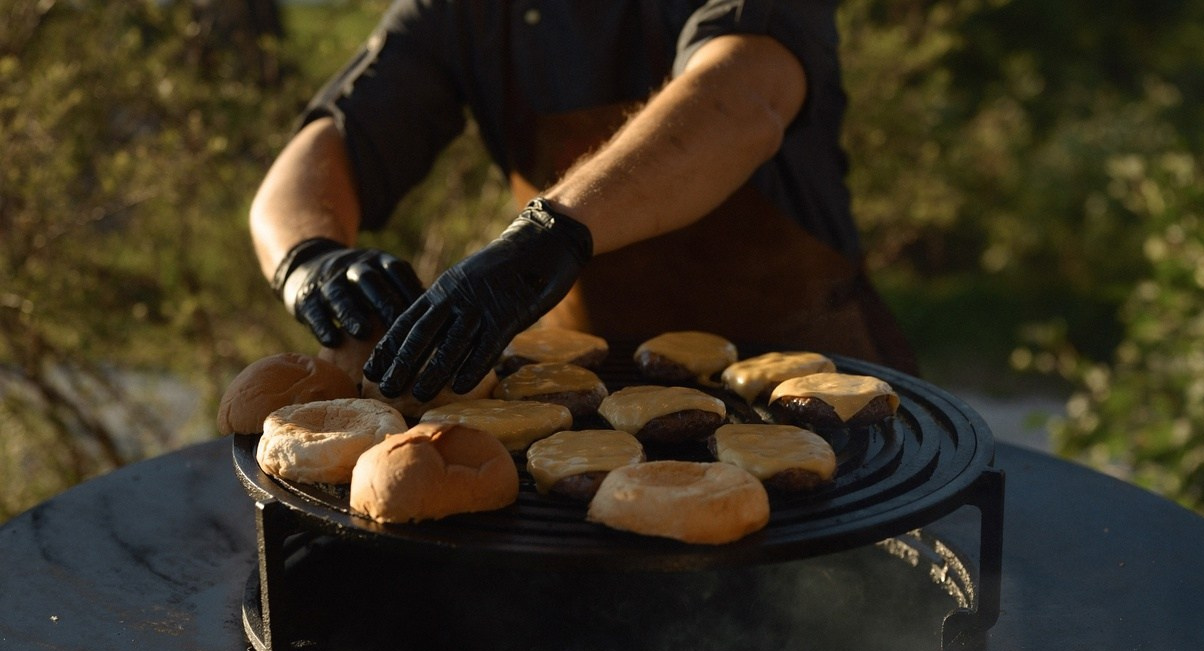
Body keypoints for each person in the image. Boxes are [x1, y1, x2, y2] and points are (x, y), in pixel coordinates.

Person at [249, 1, 918, 403]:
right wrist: (309, 256)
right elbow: (333, 138)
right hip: (580, 407)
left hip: (808, 385)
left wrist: (549, 235)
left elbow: (744, 99)